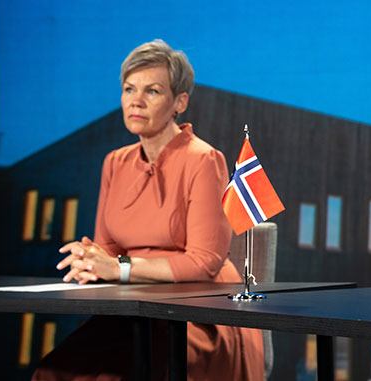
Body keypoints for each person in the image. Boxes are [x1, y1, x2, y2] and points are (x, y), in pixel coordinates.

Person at [33, 39, 264, 380]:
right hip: (133, 309)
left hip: (199, 313)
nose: (136, 101)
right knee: (52, 372)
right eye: (129, 89)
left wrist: (120, 268)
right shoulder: (115, 162)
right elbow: (108, 249)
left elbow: (204, 261)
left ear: (179, 102)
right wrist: (88, 258)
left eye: (152, 91)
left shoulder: (205, 160)